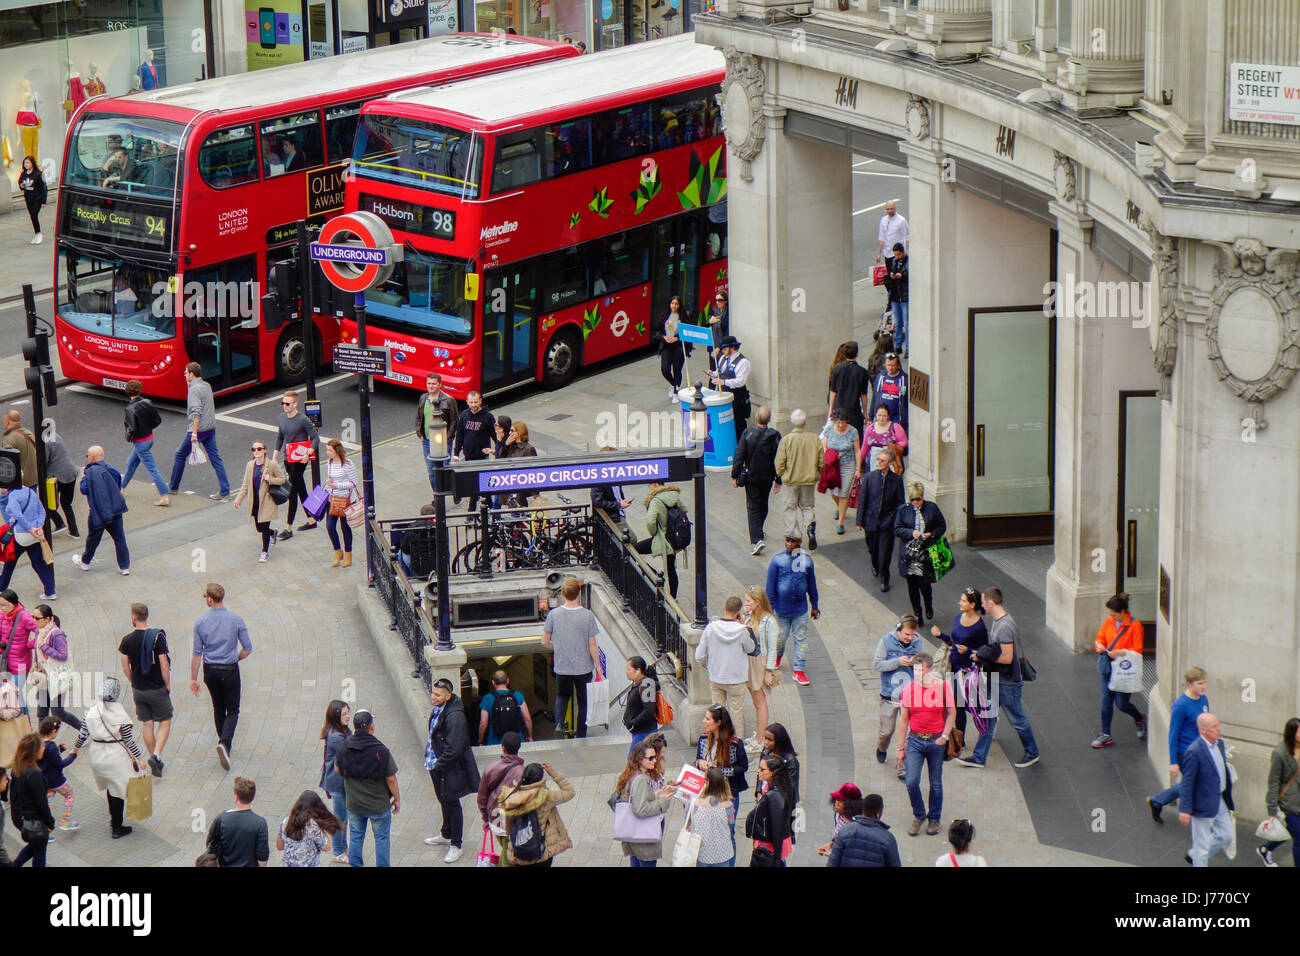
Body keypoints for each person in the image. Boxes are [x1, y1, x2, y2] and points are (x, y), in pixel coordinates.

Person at [959, 587, 1040, 769]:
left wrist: (981, 656)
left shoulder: (1004, 626)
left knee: (1016, 719)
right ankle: (979, 757)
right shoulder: (998, 621)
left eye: (983, 602)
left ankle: (1032, 752)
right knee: (988, 717)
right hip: (997, 679)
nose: (981, 605)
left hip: (1007, 683)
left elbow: (1007, 657)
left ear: (990, 603)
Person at [70, 677, 147, 839]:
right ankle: (117, 827)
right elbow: (128, 740)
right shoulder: (120, 714)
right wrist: (139, 758)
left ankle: (114, 821)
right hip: (115, 756)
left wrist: (75, 748)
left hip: (97, 754)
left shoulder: (90, 712)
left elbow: (83, 735)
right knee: (119, 790)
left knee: (111, 787)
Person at [189, 582, 252, 769]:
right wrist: (236, 658)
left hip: (211, 670)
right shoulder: (236, 619)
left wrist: (193, 678)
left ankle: (223, 743)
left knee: (218, 706)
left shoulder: (200, 622)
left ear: (210, 598)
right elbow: (248, 648)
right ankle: (225, 743)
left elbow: (196, 654)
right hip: (230, 668)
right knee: (233, 709)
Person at [897, 651, 955, 836]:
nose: (917, 674)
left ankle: (935, 818)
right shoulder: (908, 690)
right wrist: (900, 748)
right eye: (914, 670)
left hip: (936, 740)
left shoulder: (943, 688)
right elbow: (904, 720)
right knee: (911, 781)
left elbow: (951, 712)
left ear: (930, 669)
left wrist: (945, 736)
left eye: (920, 670)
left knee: (935, 783)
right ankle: (919, 814)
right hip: (915, 740)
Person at [424, 677, 480, 863]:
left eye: (438, 695)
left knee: (452, 803)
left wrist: (439, 766)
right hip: (436, 764)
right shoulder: (440, 709)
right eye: (433, 693)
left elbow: (455, 747)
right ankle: (446, 832)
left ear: (448, 696)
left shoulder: (455, 716)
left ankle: (456, 844)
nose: (433, 697)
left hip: (447, 767)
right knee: (444, 800)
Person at [334, 708, 399, 868]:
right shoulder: (381, 751)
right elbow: (391, 778)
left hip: (355, 805)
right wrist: (396, 799)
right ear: (371, 727)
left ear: (355, 727)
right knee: (382, 839)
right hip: (378, 806)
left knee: (356, 837)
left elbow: (337, 769)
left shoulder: (344, 747)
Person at [541, 576, 603, 737]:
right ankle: (582, 733)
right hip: (583, 667)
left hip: (562, 666)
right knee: (583, 702)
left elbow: (544, 641)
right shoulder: (587, 615)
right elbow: (592, 644)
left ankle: (559, 723)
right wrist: (598, 666)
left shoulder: (554, 615)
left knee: (562, 695)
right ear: (579, 592)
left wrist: (558, 647)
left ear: (562, 592)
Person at [1148, 666, 1210, 824]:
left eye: (1204, 683)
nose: (1203, 686)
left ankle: (1157, 801)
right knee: (1193, 783)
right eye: (1200, 683)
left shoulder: (1203, 699)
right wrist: (1173, 762)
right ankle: (1160, 803)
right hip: (1186, 753)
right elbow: (1173, 734)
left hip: (1200, 750)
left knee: (1192, 782)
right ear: (1190, 684)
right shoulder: (1181, 705)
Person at [117, 603, 171, 777]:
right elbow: (164, 664)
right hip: (156, 687)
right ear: (146, 616)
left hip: (138, 689)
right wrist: (167, 683)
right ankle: (156, 755)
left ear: (133, 618)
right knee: (165, 720)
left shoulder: (126, 640)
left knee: (147, 724)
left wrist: (134, 680)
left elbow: (125, 667)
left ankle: (153, 758)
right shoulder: (158, 637)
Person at [931, 587, 988, 750]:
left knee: (958, 704)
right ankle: (960, 737)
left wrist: (969, 651)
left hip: (967, 671)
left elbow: (984, 652)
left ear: (972, 604)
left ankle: (961, 736)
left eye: (963, 600)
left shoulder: (979, 627)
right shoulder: (958, 617)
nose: (959, 603)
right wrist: (940, 635)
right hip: (952, 666)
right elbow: (953, 641)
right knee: (958, 704)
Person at [1091, 592, 1147, 748]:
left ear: (1123, 612)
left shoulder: (1135, 626)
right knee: (1105, 701)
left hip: (1124, 669)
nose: (1111, 617)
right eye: (1110, 614)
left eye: (1114, 615)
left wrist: (1120, 653)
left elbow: (1138, 650)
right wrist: (1099, 646)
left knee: (1122, 704)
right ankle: (1105, 733)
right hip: (1109, 667)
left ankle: (1140, 717)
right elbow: (1100, 636)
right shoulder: (1110, 621)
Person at [696, 597, 757, 738]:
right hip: (737, 679)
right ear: (738, 612)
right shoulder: (742, 631)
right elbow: (750, 648)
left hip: (717, 677)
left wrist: (705, 663)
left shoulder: (711, 628)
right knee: (736, 714)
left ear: (724, 608)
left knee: (717, 714)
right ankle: (737, 745)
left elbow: (699, 654)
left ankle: (718, 744)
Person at [1179, 713, 1234, 867]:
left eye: (1218, 725)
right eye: (1214, 727)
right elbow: (1187, 783)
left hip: (1218, 799)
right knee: (1202, 848)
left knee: (1226, 835)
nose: (1218, 729)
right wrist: (1185, 810)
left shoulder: (1219, 744)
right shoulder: (1194, 751)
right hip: (1202, 804)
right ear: (1203, 730)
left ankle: (1194, 855)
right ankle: (1198, 857)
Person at [168, 363, 230, 500]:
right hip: (210, 428)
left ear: (192, 374)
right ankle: (225, 490)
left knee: (179, 454)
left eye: (186, 373)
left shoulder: (194, 390)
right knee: (215, 458)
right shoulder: (206, 386)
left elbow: (196, 412)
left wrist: (194, 433)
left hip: (198, 430)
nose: (184, 375)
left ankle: (173, 487)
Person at [765, 531, 820, 686]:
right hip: (781, 610)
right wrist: (770, 608)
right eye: (787, 541)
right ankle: (777, 657)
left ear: (799, 542)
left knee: (801, 639)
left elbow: (812, 585)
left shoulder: (807, 561)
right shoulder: (777, 560)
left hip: (800, 609)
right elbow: (770, 587)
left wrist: (814, 606)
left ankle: (799, 670)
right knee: (780, 639)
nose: (789, 544)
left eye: (792, 541)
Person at [613, 739, 676, 866]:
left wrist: (658, 793)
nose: (655, 760)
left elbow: (637, 797)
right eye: (651, 758)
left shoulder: (631, 774)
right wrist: (663, 802)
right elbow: (640, 809)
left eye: (655, 757)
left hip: (632, 834)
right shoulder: (642, 779)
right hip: (644, 836)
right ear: (640, 759)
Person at [499, 761, 575, 867]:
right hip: (540, 850)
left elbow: (508, 826)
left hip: (520, 850)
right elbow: (570, 792)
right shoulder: (545, 797)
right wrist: (553, 773)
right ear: (540, 778)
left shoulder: (511, 796)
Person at [873, 613, 921, 774]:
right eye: (907, 634)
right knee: (887, 730)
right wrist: (897, 662)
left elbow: (925, 663)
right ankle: (882, 747)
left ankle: (902, 768)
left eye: (913, 635)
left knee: (909, 734)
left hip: (910, 695)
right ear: (899, 630)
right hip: (890, 694)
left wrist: (917, 662)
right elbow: (877, 665)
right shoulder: (886, 641)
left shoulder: (917, 642)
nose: (910, 638)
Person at [893, 481, 946, 623]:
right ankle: (917, 611)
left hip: (926, 553)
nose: (916, 502)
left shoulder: (932, 508)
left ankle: (928, 605)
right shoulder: (903, 510)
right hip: (910, 554)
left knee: (925, 584)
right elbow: (897, 529)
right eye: (912, 500)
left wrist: (932, 534)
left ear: (923, 497)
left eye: (918, 499)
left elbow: (942, 526)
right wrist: (911, 532)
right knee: (912, 584)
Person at [73, 445, 130, 575]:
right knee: (119, 538)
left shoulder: (90, 472)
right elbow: (117, 485)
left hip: (98, 512)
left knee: (93, 538)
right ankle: (124, 566)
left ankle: (85, 562)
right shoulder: (113, 470)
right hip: (115, 510)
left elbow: (84, 489)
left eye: (88, 456)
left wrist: (83, 476)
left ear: (92, 458)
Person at [272, 389, 321, 539]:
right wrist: (275, 457)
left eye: (287, 403)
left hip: (300, 460)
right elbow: (280, 437)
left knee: (292, 491)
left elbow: (315, 438)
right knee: (301, 490)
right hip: (288, 458)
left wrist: (308, 454)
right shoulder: (281, 418)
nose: (284, 406)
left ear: (295, 404)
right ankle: (312, 520)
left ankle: (288, 528)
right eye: (283, 403)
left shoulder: (303, 420)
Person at [732, 406, 781, 555]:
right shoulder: (776, 436)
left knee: (752, 506)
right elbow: (779, 459)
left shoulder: (748, 434)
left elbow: (739, 455)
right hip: (767, 476)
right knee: (763, 504)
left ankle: (756, 538)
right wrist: (779, 479)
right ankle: (759, 530)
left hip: (752, 475)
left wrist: (735, 475)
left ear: (756, 418)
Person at [856, 446, 905, 593]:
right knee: (873, 548)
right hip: (870, 521)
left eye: (883, 460)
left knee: (885, 553)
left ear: (889, 463)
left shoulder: (896, 480)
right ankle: (875, 564)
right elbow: (862, 500)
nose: (879, 462)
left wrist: (894, 520)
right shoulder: (870, 478)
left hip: (887, 523)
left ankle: (885, 578)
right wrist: (859, 520)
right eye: (878, 459)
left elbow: (900, 503)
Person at [695, 703, 748, 838]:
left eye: (707, 719)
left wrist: (719, 771)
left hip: (728, 790)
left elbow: (743, 767)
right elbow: (697, 760)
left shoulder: (735, 743)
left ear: (718, 722)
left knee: (729, 831)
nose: (704, 721)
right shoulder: (703, 738)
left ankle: (730, 859)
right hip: (706, 789)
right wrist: (700, 763)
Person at [232, 439, 287, 563]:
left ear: (264, 450)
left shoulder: (271, 464)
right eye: (254, 449)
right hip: (255, 502)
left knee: (264, 526)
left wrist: (270, 479)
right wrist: (238, 500)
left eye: (259, 449)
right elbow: (245, 485)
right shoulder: (250, 465)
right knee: (259, 528)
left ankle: (264, 552)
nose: (256, 451)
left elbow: (282, 479)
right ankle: (273, 533)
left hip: (267, 502)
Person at [773, 409, 822, 548]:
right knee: (807, 506)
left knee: (790, 508)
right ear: (805, 422)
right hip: (809, 480)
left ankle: (794, 535)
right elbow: (821, 461)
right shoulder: (814, 439)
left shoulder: (786, 440)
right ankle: (810, 526)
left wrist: (781, 475)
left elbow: (779, 462)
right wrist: (816, 474)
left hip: (791, 480)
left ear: (792, 422)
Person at [1257, 716, 1300, 868]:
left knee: (1290, 831)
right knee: (1299, 839)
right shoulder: (1280, 752)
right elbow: (1273, 781)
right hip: (1289, 803)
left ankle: (1265, 849)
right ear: (1292, 733)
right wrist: (1272, 809)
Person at [120, 379, 170, 506]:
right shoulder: (147, 402)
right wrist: (147, 428)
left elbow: (131, 429)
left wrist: (129, 437)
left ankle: (164, 496)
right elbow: (157, 420)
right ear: (139, 390)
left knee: (152, 469)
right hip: (149, 438)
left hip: (140, 443)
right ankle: (121, 488)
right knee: (131, 463)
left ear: (127, 392)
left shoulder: (130, 408)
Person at [1, 486, 56, 597]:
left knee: (10, 561)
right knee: (38, 563)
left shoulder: (13, 496)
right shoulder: (30, 491)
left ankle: (1, 586)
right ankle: (50, 591)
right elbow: (42, 511)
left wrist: (30, 528)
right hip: (35, 536)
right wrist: (38, 526)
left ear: (5, 488)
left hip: (21, 535)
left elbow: (18, 515)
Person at [32, 604, 81, 731]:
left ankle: (83, 730)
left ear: (47, 619)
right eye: (33, 617)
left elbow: (63, 656)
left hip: (57, 676)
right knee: (42, 711)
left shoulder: (57, 635)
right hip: (43, 676)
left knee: (58, 712)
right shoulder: (40, 632)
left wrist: (44, 647)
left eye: (37, 618)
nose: (34, 620)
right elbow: (37, 650)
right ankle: (43, 741)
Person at [8, 732, 55, 866]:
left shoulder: (17, 769)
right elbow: (42, 803)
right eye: (41, 747)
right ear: (34, 751)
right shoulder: (34, 774)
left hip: (21, 819)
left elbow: (14, 797)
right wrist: (49, 823)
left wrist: (17, 818)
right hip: (35, 821)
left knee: (35, 846)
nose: (44, 749)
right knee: (40, 851)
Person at [742, 586, 778, 753]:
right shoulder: (750, 616)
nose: (746, 603)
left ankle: (761, 739)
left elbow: (772, 648)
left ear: (757, 602)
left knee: (760, 701)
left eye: (749, 600)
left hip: (759, 663)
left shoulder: (769, 621)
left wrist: (768, 671)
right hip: (749, 661)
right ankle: (759, 734)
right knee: (756, 701)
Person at [634, 480, 684, 599]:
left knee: (633, 550)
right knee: (671, 568)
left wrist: (654, 533)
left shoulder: (656, 500)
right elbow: (684, 510)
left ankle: (653, 574)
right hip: (673, 539)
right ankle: (673, 598)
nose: (650, 488)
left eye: (650, 485)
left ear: (655, 484)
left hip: (662, 538)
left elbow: (651, 521)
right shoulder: (674, 495)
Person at [207, 777, 270, 867]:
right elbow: (262, 858)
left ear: (236, 797)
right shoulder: (260, 823)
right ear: (252, 797)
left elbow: (210, 845)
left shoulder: (221, 819)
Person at [414, 373, 460, 498]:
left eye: (434, 383)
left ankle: (454, 490)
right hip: (427, 441)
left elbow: (455, 421)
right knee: (431, 473)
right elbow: (419, 417)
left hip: (443, 442)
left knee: (444, 470)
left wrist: (448, 438)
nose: (431, 386)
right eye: (429, 383)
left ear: (440, 384)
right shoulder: (423, 398)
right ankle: (438, 496)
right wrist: (419, 433)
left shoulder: (449, 400)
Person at [828, 792, 901, 867]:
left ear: (863, 809)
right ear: (879, 812)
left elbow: (833, 861)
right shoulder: (888, 838)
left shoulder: (845, 830)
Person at [746, 753, 795, 866]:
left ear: (773, 772)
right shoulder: (776, 786)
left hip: (770, 846)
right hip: (771, 842)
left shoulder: (775, 796)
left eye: (762, 769)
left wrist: (776, 858)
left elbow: (777, 826)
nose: (758, 771)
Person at [818, 409, 861, 536]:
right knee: (833, 492)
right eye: (838, 422)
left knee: (844, 494)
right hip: (833, 466)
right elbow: (824, 447)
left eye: (843, 422)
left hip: (848, 465)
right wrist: (832, 454)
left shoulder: (853, 431)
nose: (841, 425)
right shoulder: (829, 429)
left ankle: (840, 522)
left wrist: (858, 469)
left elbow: (857, 451)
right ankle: (840, 507)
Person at [478, 730, 525, 843]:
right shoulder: (524, 772)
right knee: (513, 849)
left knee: (505, 847)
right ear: (519, 747)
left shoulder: (490, 768)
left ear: (503, 747)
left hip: (496, 819)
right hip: (516, 822)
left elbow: (482, 797)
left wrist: (485, 818)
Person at [319, 699, 350, 863]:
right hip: (337, 783)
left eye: (348, 713)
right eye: (344, 714)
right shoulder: (337, 737)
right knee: (340, 818)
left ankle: (342, 846)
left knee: (343, 817)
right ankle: (338, 851)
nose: (348, 716)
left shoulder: (339, 731)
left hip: (338, 782)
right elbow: (350, 754)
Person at [277, 789, 343, 867]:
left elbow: (279, 846)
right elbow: (327, 847)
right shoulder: (313, 828)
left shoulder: (286, 822)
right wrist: (322, 828)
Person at [454, 391, 495, 512]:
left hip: (482, 457)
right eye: (470, 402)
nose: (473, 405)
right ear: (467, 402)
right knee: (473, 483)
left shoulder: (488, 417)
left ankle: (480, 507)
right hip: (469, 457)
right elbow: (460, 435)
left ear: (480, 401)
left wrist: (496, 451)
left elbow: (495, 436)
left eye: (476, 402)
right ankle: (474, 509)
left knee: (483, 483)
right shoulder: (464, 415)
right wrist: (456, 454)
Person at [322, 439, 360, 568]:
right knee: (330, 526)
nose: (327, 453)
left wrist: (336, 485)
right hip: (332, 499)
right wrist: (328, 486)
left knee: (345, 527)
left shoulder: (348, 464)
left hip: (345, 500)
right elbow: (330, 479)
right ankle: (338, 551)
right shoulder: (330, 462)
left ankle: (348, 553)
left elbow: (354, 482)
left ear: (337, 450)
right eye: (327, 450)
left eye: (330, 450)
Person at [689, 767, 736, 867]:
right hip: (722, 853)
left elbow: (690, 823)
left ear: (707, 782)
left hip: (702, 853)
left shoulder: (695, 803)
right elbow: (731, 827)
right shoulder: (728, 805)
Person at [0, 590, 37, 714]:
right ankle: (27, 725)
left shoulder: (25, 616)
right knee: (16, 694)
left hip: (21, 663)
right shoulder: (2, 614)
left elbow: (41, 632)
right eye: (0, 605)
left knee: (14, 694)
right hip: (5, 661)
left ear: (14, 603)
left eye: (5, 605)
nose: (3, 608)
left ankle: (25, 723)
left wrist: (29, 645)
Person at [38, 716, 77, 830]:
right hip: (57, 780)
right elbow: (59, 763)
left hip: (45, 780)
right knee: (69, 794)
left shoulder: (39, 744)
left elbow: (47, 758)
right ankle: (66, 821)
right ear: (54, 731)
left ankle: (44, 824)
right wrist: (72, 756)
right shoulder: (51, 746)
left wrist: (60, 749)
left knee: (48, 800)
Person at [709, 336, 751, 440]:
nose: (722, 351)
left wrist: (724, 382)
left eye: (724, 348)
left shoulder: (743, 362)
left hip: (737, 398)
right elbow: (720, 372)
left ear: (732, 347)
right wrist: (713, 374)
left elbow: (741, 381)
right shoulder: (723, 358)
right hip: (723, 396)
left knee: (738, 424)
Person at [827, 341, 873, 435]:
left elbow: (833, 391)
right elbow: (863, 395)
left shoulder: (837, 369)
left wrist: (831, 410)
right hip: (854, 411)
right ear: (857, 354)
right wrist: (865, 412)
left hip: (839, 409)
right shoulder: (862, 372)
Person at [478, 670, 531, 746]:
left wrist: (480, 740)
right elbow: (527, 718)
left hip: (495, 743)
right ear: (508, 680)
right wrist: (530, 736)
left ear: (493, 682)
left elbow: (483, 723)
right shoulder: (517, 695)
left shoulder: (488, 698)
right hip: (516, 741)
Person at [43, 430, 82, 534]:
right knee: (66, 504)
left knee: (46, 502)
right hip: (71, 472)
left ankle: (59, 523)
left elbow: (44, 460)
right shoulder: (56, 436)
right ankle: (74, 531)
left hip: (58, 476)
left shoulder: (45, 442)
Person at [756, 723, 801, 808]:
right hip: (765, 797)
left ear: (779, 741)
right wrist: (758, 792)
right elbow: (760, 773)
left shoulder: (791, 761)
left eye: (769, 740)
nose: (765, 742)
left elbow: (790, 786)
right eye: (765, 738)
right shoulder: (766, 751)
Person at [591, 447, 633, 537]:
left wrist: (622, 501)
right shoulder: (599, 478)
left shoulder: (615, 474)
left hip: (619, 513)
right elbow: (597, 501)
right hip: (612, 518)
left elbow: (618, 493)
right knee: (631, 539)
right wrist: (618, 505)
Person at [622, 656, 658, 754]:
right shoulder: (639, 683)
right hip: (639, 731)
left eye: (629, 669)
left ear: (638, 670)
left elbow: (649, 710)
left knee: (633, 761)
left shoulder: (646, 684)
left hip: (645, 732)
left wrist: (633, 723)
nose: (626, 672)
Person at [816, 783, 864, 856]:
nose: (836, 804)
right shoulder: (839, 815)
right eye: (836, 800)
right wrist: (831, 844)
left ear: (850, 805)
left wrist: (834, 854)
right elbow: (839, 836)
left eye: (840, 801)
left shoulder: (856, 826)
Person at [860, 403, 908, 473]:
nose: (881, 418)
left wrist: (891, 447)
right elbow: (864, 448)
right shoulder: (870, 429)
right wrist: (858, 467)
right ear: (876, 415)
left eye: (884, 416)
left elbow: (904, 442)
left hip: (890, 461)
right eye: (879, 415)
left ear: (888, 416)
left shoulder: (895, 427)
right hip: (873, 461)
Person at [659, 295, 687, 400]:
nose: (674, 306)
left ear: (679, 305)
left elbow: (687, 332)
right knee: (665, 369)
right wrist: (664, 337)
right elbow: (658, 331)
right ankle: (672, 384)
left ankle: (676, 391)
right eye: (672, 303)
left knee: (677, 369)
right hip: (666, 346)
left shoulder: (683, 317)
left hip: (678, 347)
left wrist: (677, 338)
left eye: (676, 304)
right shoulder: (665, 315)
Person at [872, 351, 909, 433]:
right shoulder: (880, 377)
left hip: (897, 420)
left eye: (893, 365)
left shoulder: (905, 379)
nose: (890, 368)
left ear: (898, 365)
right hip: (882, 419)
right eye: (888, 365)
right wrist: (871, 415)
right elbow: (875, 396)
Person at [3, 410, 38, 489]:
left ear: (7, 421)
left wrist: (4, 486)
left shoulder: (9, 439)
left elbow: (6, 464)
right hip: (34, 479)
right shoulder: (29, 433)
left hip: (20, 483)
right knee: (30, 500)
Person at [886, 242, 910, 356]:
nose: (897, 257)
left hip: (904, 296)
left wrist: (902, 275)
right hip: (896, 296)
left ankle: (908, 347)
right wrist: (892, 275)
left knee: (906, 322)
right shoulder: (894, 261)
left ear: (903, 252)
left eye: (899, 254)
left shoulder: (909, 262)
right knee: (898, 322)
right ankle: (898, 345)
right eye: (895, 255)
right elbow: (891, 273)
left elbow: (910, 275)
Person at [875, 200, 909, 273]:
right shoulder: (883, 220)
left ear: (895, 208)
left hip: (897, 254)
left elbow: (906, 237)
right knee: (890, 275)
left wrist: (904, 254)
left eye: (891, 209)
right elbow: (882, 238)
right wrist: (879, 254)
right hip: (887, 253)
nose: (889, 211)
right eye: (887, 209)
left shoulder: (901, 220)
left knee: (897, 275)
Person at [19, 155, 46, 243]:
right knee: (32, 216)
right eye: (25, 163)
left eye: (27, 163)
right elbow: (20, 183)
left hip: (37, 198)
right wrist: (21, 186)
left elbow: (44, 188)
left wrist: (43, 201)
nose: (26, 164)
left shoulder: (39, 174)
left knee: (34, 215)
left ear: (32, 163)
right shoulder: (23, 173)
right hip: (28, 198)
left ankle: (39, 234)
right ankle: (37, 234)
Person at [707, 290, 729, 370]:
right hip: (712, 345)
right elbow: (704, 325)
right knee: (712, 371)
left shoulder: (728, 314)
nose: (717, 302)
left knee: (721, 371)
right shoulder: (713, 311)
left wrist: (719, 348)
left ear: (725, 301)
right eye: (716, 300)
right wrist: (710, 322)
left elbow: (727, 334)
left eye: (720, 300)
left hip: (723, 348)